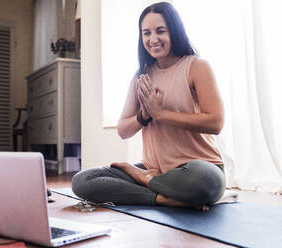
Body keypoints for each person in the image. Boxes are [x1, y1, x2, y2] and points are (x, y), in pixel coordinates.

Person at [71, 2, 225, 211]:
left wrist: (161, 114)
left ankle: (144, 179)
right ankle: (160, 197)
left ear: (175, 31)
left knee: (206, 182)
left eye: (160, 31)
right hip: (158, 171)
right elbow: (123, 131)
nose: (153, 39)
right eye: (146, 33)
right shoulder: (141, 76)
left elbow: (215, 122)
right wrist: (144, 117)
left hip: (196, 169)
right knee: (83, 180)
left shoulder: (196, 66)